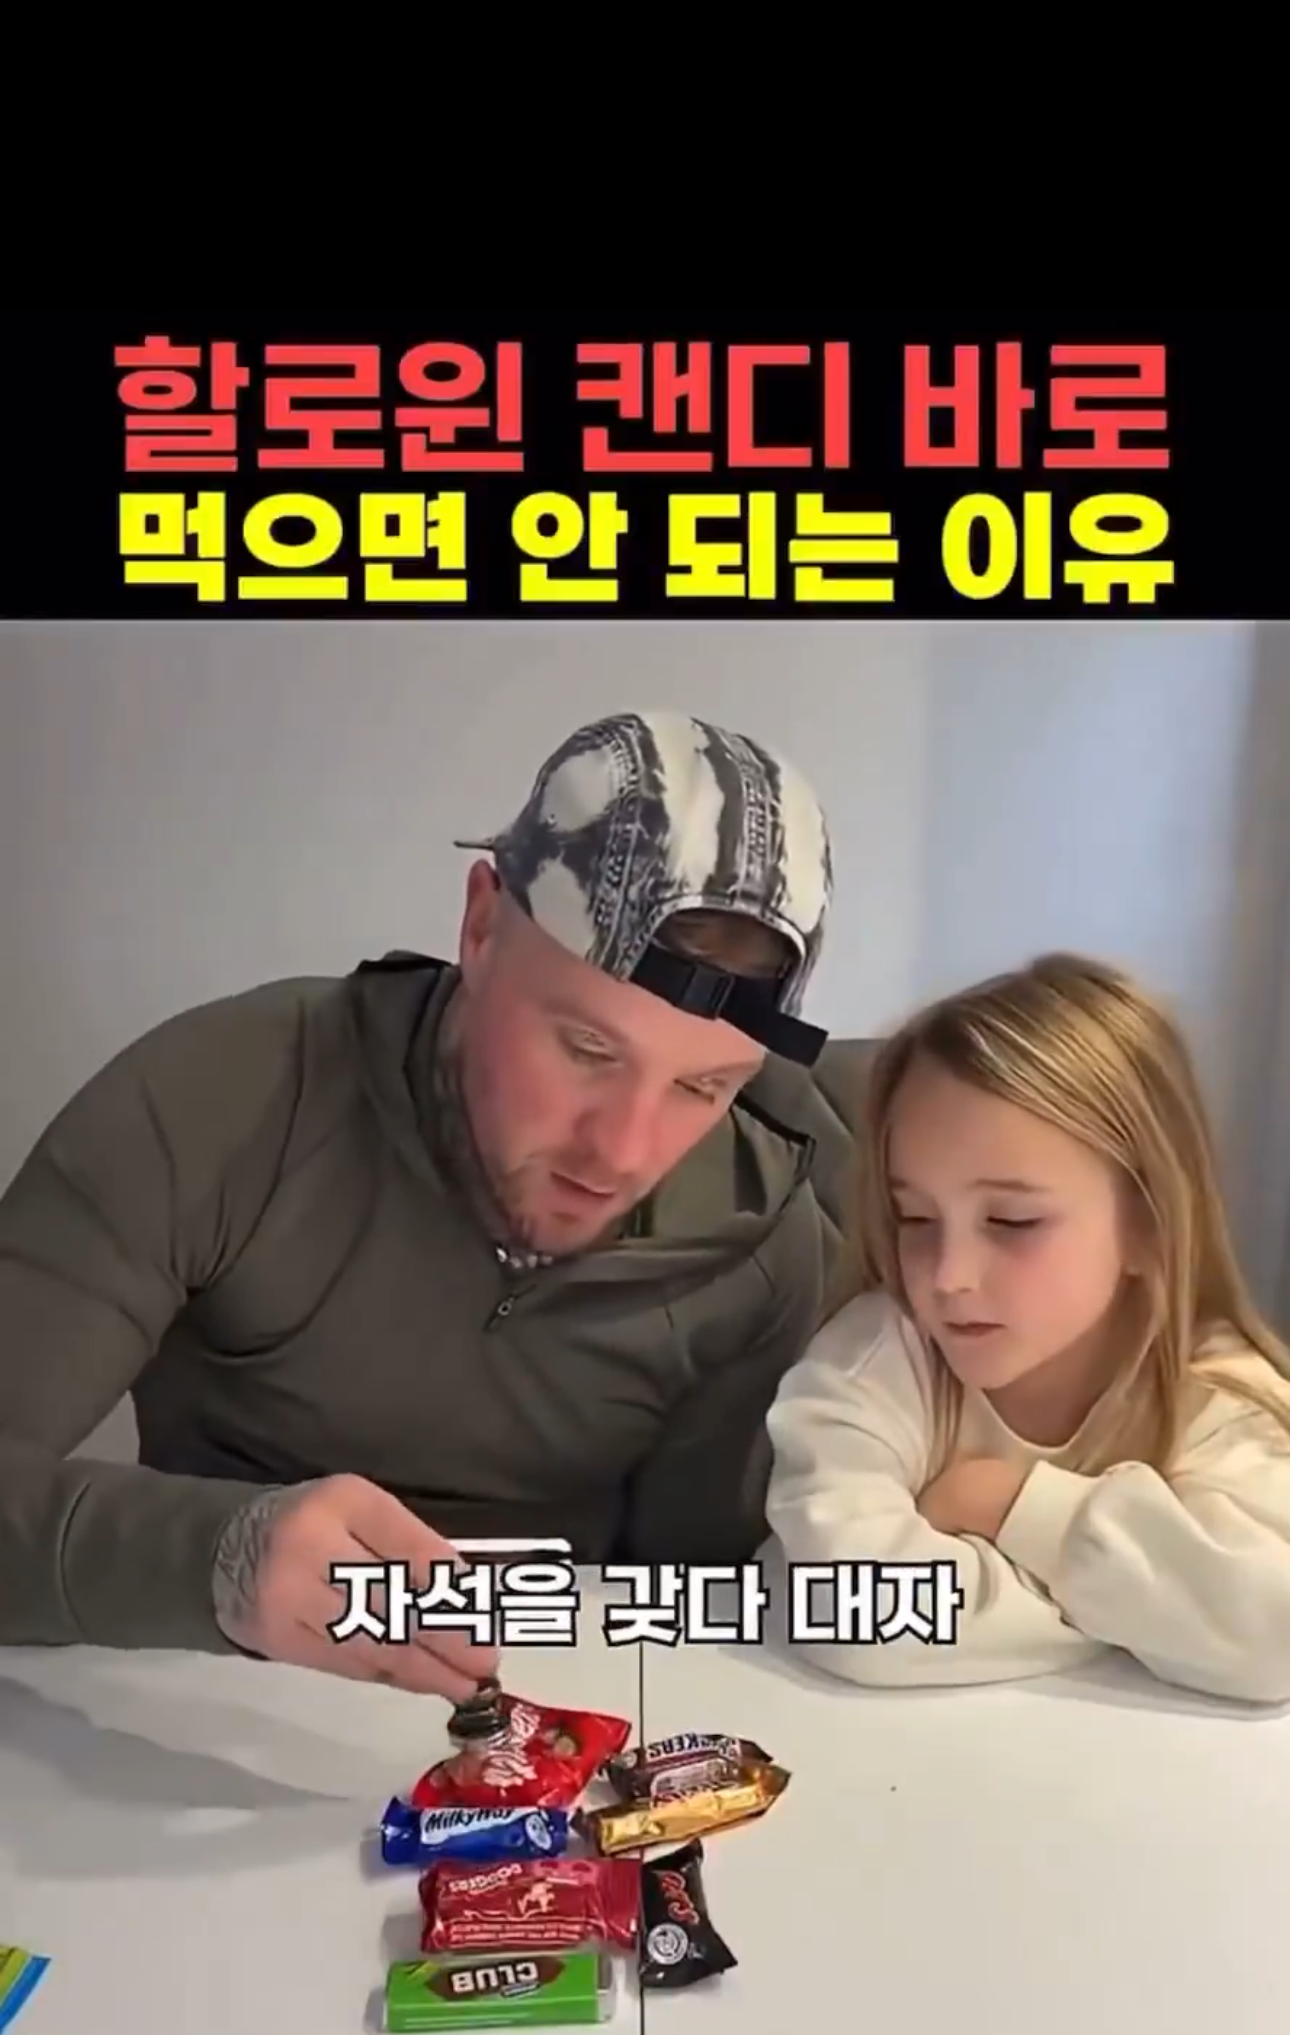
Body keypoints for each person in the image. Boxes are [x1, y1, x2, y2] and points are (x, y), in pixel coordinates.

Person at [0, 709, 847, 1705]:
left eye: (702, 1088)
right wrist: (210, 1561)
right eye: (587, 1049)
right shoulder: (219, 1099)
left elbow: (692, 1628)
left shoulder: (761, 1234)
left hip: (547, 1729)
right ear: (481, 928)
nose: (624, 1152)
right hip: (201, 1701)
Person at [764, 950, 1290, 1706]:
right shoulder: (878, 1357)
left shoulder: (1216, 1395)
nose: (947, 1276)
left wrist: (1010, 1505)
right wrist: (1150, 1611)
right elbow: (858, 1612)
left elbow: (1272, 1636)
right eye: (915, 1217)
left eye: (1012, 1221)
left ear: (1149, 1225)